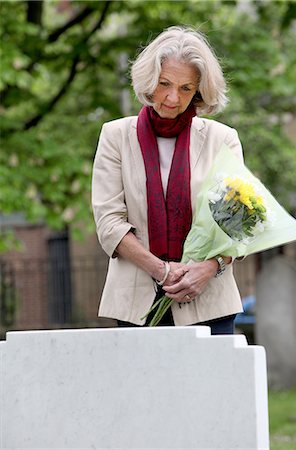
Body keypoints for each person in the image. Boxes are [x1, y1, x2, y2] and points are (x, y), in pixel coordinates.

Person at [92, 26, 243, 334]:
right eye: (165, 84)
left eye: (186, 88)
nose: (173, 98)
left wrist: (206, 270)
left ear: (200, 91)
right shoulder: (115, 136)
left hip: (209, 299)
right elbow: (109, 224)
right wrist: (162, 271)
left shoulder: (223, 139)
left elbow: (237, 226)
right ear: (150, 81)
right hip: (137, 302)